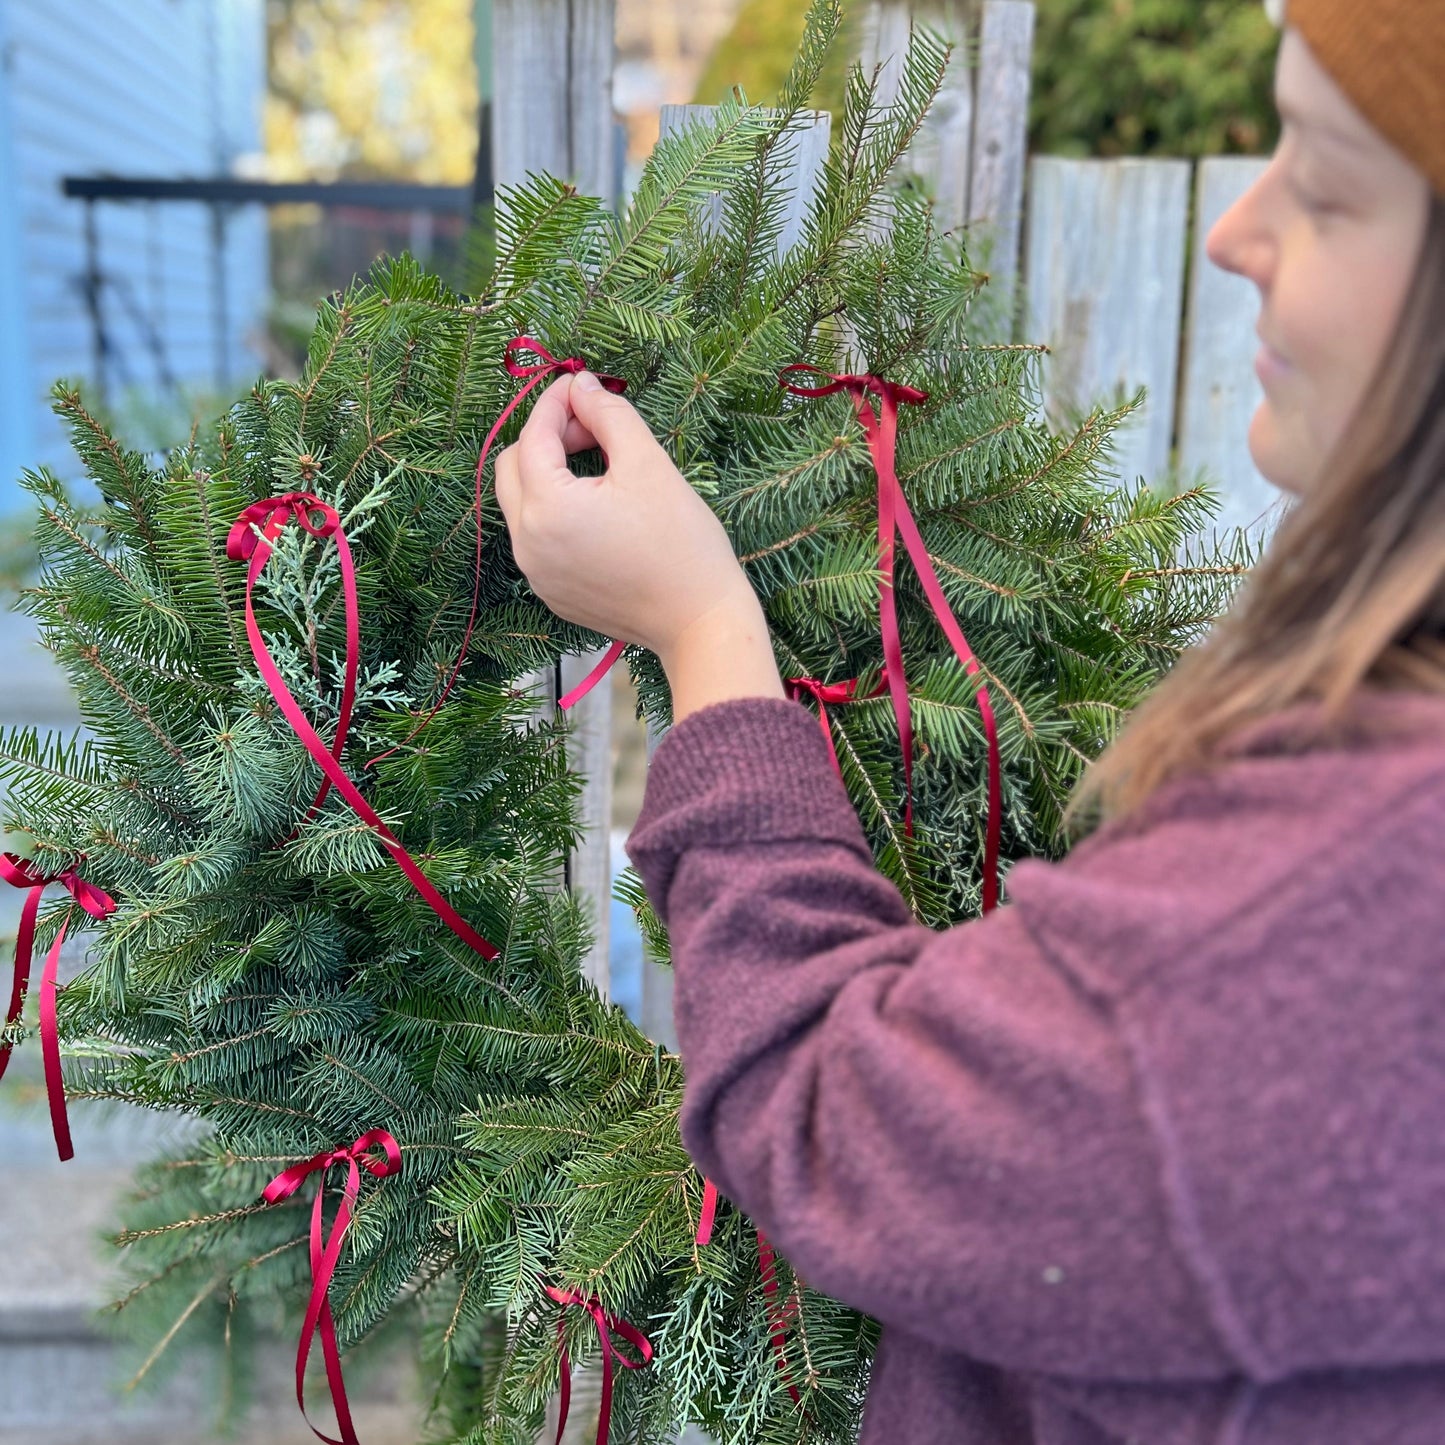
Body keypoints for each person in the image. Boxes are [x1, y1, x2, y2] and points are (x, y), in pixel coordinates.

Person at [494, 0, 1445, 1438]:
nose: (1231, 231)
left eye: (1318, 184)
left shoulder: (1330, 912)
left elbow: (827, 1103)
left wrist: (703, 630)